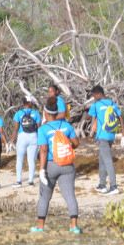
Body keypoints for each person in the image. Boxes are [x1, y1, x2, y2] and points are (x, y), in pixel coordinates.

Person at [32, 97, 81, 234]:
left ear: (45, 113)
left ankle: (40, 227)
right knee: (70, 196)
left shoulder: (43, 129)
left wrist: (41, 169)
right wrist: (64, 148)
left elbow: (43, 150)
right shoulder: (66, 126)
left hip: (50, 165)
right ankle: (74, 226)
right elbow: (76, 143)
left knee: (44, 197)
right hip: (67, 165)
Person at [85, 85, 124, 196]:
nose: (94, 98)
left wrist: (88, 110)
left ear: (99, 94)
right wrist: (123, 136)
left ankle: (113, 186)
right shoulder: (112, 104)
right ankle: (102, 185)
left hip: (101, 136)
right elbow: (121, 119)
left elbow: (87, 118)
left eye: (94, 96)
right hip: (111, 136)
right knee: (102, 159)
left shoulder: (96, 105)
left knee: (107, 160)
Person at [12, 96, 42, 188]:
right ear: (30, 103)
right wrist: (41, 140)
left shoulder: (18, 113)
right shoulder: (35, 113)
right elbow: (39, 127)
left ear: (23, 103)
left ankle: (18, 181)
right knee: (31, 160)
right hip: (33, 137)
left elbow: (16, 128)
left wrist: (12, 140)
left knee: (19, 159)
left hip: (22, 137)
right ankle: (31, 181)